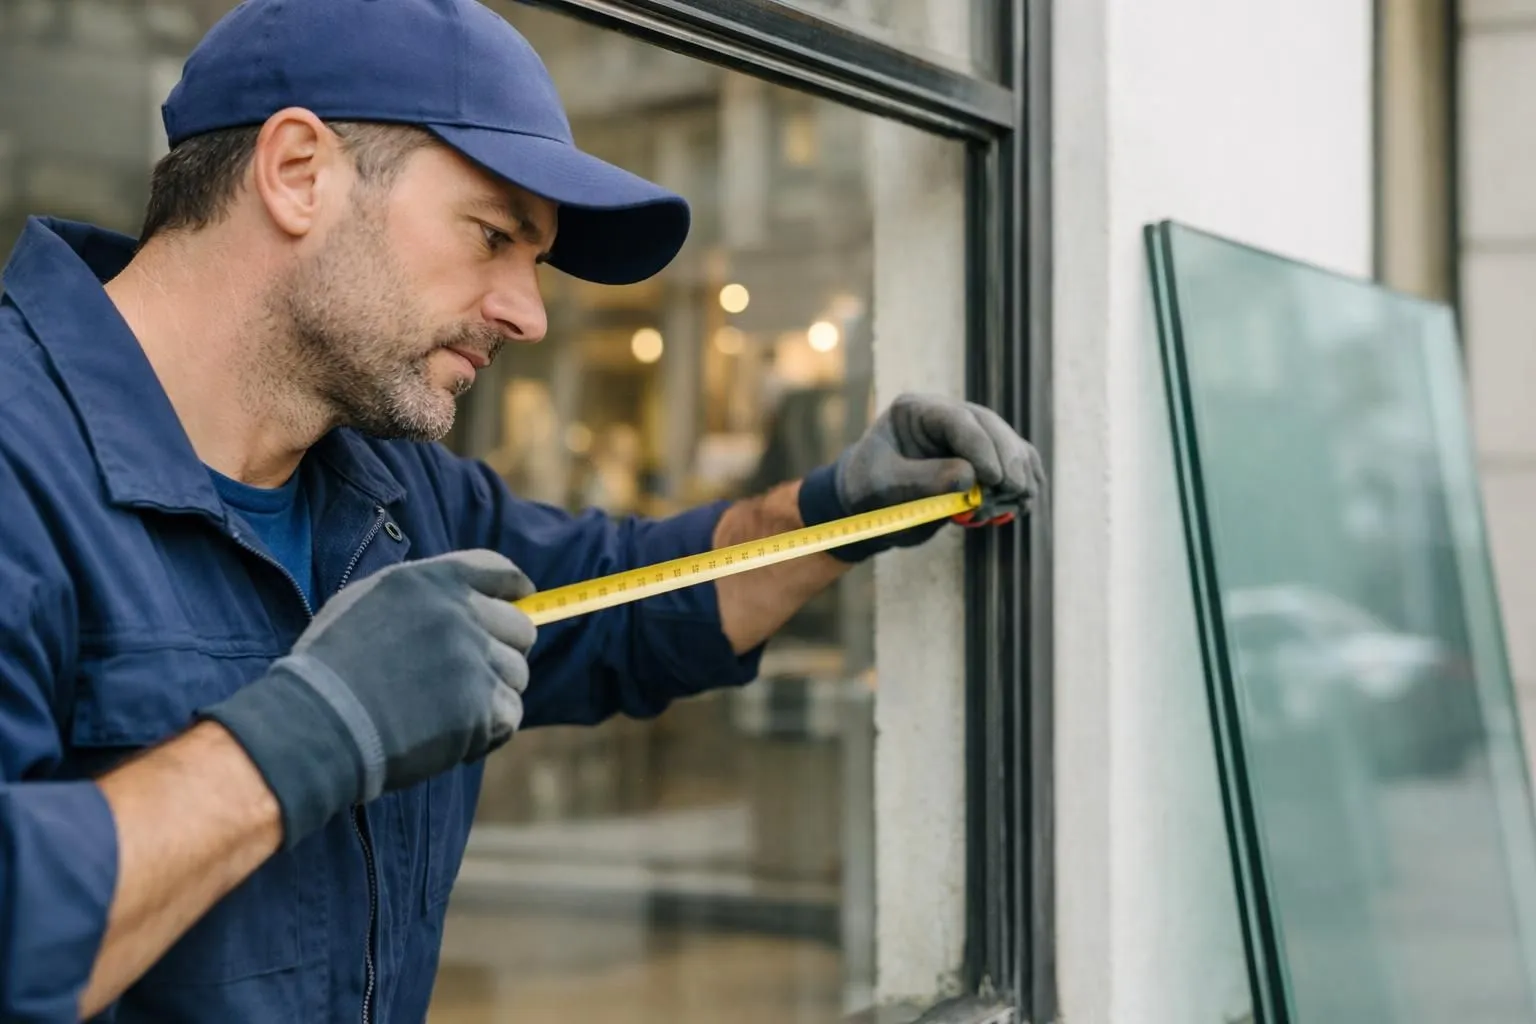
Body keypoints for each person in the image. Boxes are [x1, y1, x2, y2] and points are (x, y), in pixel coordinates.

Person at [0, 1, 1045, 1021]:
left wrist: (830, 511)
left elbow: (626, 603)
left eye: (534, 261)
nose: (529, 313)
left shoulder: (393, 491)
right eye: (491, 235)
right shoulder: (20, 466)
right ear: (297, 173)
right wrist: (305, 734)